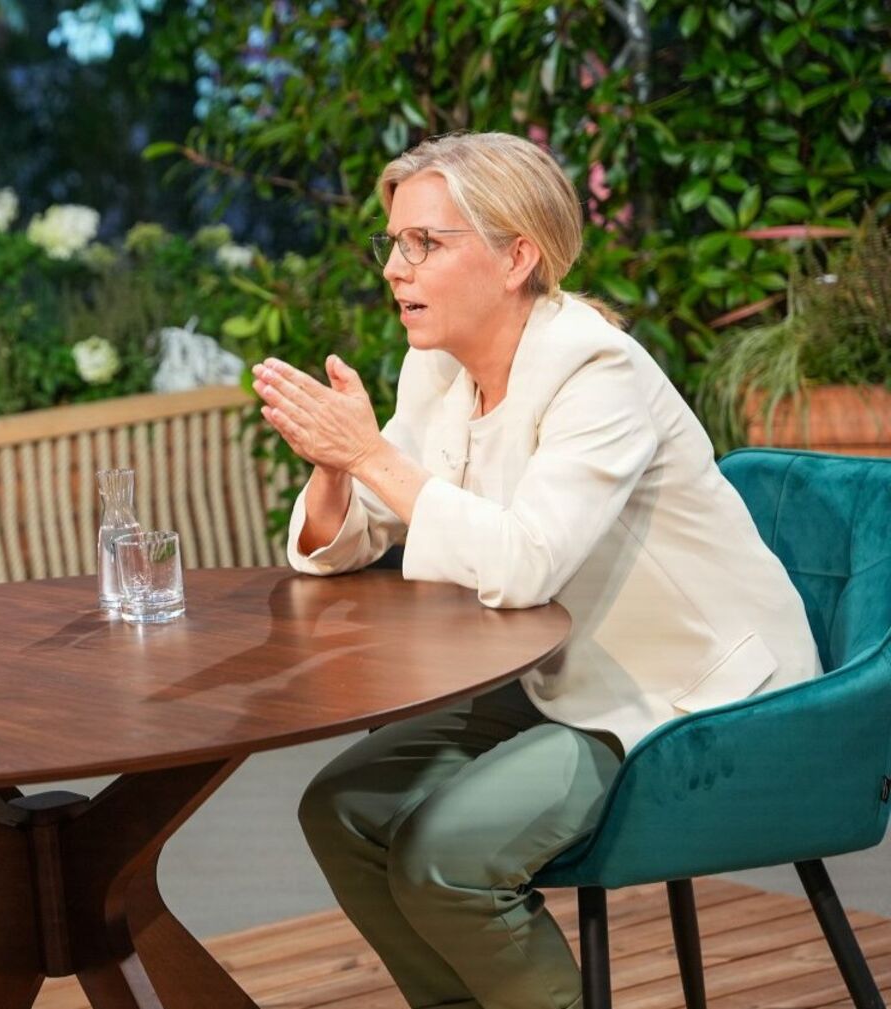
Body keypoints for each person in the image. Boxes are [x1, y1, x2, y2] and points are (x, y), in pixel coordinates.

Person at [250, 132, 820, 1009]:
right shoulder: (437, 367)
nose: (397, 269)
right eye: (393, 244)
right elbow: (354, 533)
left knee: (448, 852)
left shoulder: (599, 373)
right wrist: (338, 463)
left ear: (519, 255)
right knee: (343, 807)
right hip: (562, 676)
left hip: (694, 697)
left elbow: (523, 561)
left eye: (425, 245)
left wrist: (366, 454)